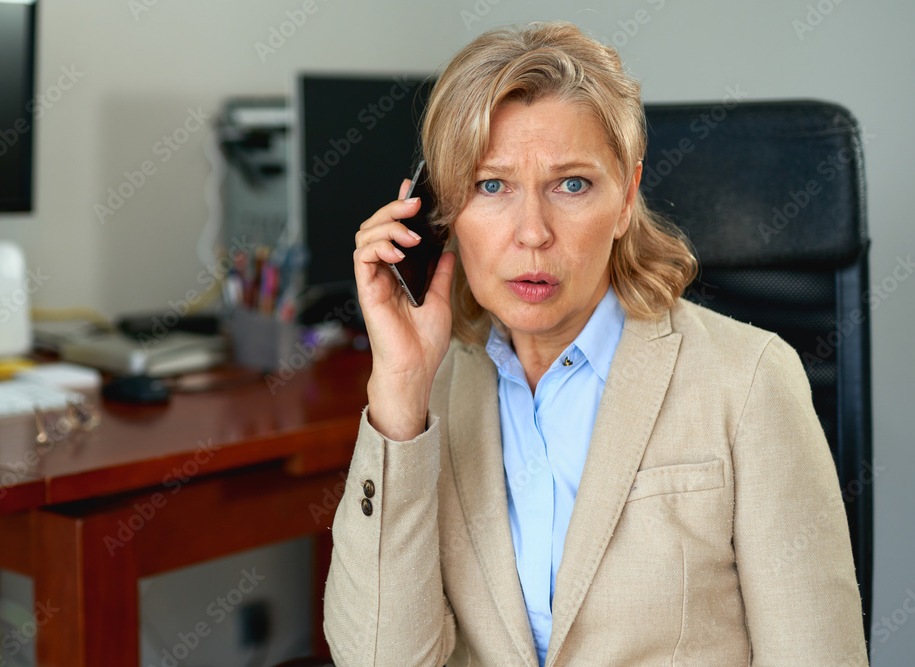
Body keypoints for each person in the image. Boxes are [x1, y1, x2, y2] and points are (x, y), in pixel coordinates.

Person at [324, 21, 868, 667]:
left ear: (626, 199)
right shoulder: (429, 395)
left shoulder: (746, 378)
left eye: (572, 184)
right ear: (443, 212)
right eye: (490, 185)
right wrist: (400, 393)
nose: (532, 233)